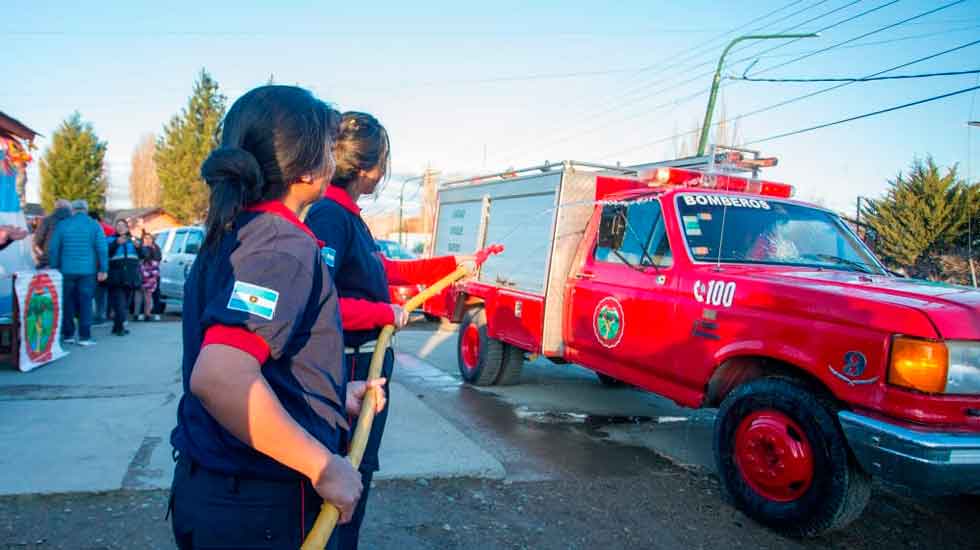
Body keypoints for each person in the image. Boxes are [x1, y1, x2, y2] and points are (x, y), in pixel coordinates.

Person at [169, 85, 386, 550]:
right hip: (257, 505)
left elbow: (259, 358)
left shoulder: (237, 231)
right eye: (328, 148)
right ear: (307, 168)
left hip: (216, 492)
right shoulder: (280, 245)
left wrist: (325, 396)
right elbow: (222, 377)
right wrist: (322, 466)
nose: (334, 159)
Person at [305, 112, 470, 550]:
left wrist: (457, 264)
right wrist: (383, 313)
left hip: (362, 366)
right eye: (382, 164)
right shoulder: (329, 217)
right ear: (365, 168)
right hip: (347, 369)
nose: (383, 173)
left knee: (357, 475)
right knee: (345, 477)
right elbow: (319, 305)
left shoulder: (349, 217)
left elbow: (389, 269)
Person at [48, 199, 108, 346]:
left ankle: (68, 335)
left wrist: (54, 266)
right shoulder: (94, 225)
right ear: (86, 210)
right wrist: (103, 269)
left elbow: (53, 248)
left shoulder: (63, 225)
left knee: (67, 302)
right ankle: (84, 337)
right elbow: (102, 249)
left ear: (72, 210)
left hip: (66, 270)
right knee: (86, 303)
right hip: (87, 271)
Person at [106, 220, 142, 336]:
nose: (121, 228)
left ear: (127, 228)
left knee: (125, 303)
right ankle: (120, 328)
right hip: (116, 276)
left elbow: (144, 255)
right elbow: (106, 253)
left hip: (131, 276)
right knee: (119, 304)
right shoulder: (110, 239)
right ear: (115, 228)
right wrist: (116, 243)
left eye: (123, 226)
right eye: (118, 226)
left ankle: (116, 327)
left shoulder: (133, 240)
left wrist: (139, 247)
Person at [33, 199, 71, 268]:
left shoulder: (47, 220)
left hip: (48, 262)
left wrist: (43, 257)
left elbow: (36, 243)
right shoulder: (76, 223)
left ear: (56, 207)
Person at [90, 212, 113, 325]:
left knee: (94, 292)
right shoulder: (109, 229)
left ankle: (97, 315)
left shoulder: (96, 229)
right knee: (102, 293)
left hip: (94, 266)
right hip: (105, 265)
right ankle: (102, 314)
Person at [135, 233, 160, 321]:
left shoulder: (155, 248)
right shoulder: (139, 248)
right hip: (142, 273)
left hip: (151, 274)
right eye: (145, 238)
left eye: (149, 238)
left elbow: (158, 258)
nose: (147, 240)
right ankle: (138, 313)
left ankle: (148, 313)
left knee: (148, 295)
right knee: (139, 295)